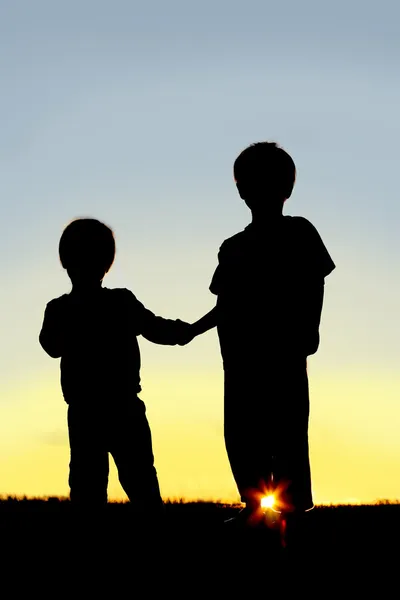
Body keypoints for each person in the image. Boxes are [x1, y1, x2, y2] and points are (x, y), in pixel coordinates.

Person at [189, 142, 335, 541]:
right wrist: (192, 330)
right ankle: (255, 506)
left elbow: (315, 281)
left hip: (284, 353)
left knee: (287, 432)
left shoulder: (301, 231)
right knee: (241, 433)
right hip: (239, 359)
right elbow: (225, 304)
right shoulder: (232, 247)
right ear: (241, 190)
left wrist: (310, 328)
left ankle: (292, 508)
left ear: (286, 188)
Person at [39, 217, 191, 516]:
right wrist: (182, 332)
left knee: (91, 484)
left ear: (64, 261)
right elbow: (155, 329)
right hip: (118, 408)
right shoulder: (118, 302)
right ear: (107, 263)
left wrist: (179, 332)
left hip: (89, 410)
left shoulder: (60, 309)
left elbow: (50, 347)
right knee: (135, 482)